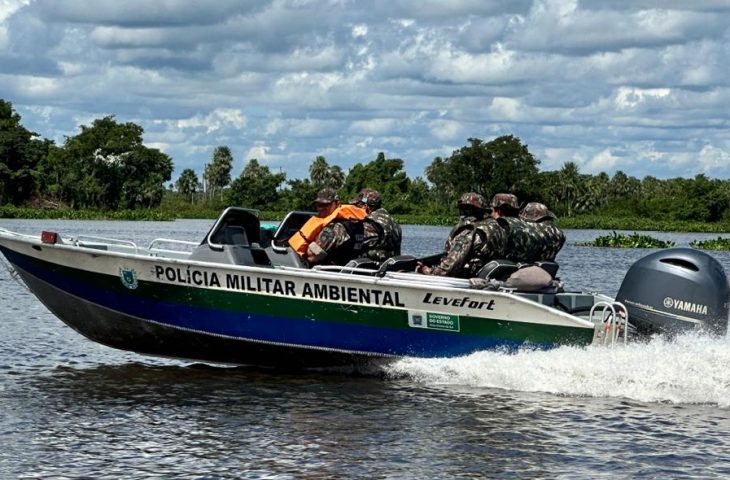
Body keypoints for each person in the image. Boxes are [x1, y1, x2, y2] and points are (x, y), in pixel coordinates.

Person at [417, 192, 506, 278]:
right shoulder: (496, 228)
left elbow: (447, 269)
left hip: (468, 280)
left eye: (464, 208)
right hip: (489, 277)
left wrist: (427, 270)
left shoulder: (469, 231)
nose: (462, 212)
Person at [288, 187, 368, 266]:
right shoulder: (356, 222)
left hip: (331, 273)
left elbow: (312, 256)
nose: (320, 208)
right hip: (347, 270)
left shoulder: (335, 228)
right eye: (318, 205)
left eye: (325, 205)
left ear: (337, 203)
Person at [489, 192, 543, 264]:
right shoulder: (529, 225)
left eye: (492, 210)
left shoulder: (498, 225)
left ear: (498, 211)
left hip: (505, 267)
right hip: (527, 265)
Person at [350, 188, 402, 262]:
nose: (354, 208)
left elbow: (353, 242)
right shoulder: (392, 220)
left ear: (365, 206)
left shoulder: (371, 222)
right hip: (390, 266)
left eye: (357, 205)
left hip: (373, 268)